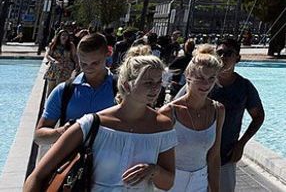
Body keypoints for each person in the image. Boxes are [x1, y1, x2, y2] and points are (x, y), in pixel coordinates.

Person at [24, 54, 177, 191]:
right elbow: (38, 176)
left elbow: (167, 183)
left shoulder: (162, 126)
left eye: (159, 82)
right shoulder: (92, 124)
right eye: (148, 82)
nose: (156, 88)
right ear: (126, 85)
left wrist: (153, 171)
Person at [180, 38, 263, 192]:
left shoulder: (244, 87)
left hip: (226, 156)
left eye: (229, 53)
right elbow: (177, 106)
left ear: (238, 57)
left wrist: (241, 144)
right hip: (194, 157)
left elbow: (258, 116)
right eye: (220, 53)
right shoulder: (202, 82)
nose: (224, 57)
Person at [35, 33, 116, 158]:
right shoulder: (63, 91)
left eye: (95, 63)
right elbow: (39, 136)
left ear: (108, 54)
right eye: (84, 64)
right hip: (71, 168)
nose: (89, 68)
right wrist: (61, 131)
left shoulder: (121, 90)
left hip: (111, 168)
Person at [161, 45, 224, 191]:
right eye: (200, 77)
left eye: (211, 78)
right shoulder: (169, 112)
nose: (206, 84)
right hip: (171, 183)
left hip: (200, 182)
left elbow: (214, 156)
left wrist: (215, 189)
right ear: (188, 76)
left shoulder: (218, 110)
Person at [42, 29, 77, 97]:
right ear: (59, 36)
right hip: (54, 68)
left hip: (66, 69)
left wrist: (77, 64)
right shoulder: (53, 44)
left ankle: (58, 105)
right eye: (63, 35)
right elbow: (47, 55)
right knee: (50, 88)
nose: (65, 36)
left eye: (66, 35)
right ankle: (48, 105)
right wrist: (54, 61)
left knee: (60, 88)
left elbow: (74, 56)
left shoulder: (71, 45)